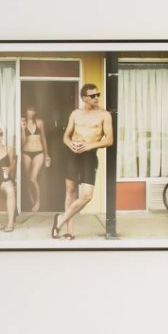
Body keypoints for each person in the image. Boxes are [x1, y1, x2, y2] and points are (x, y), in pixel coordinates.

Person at [51, 84, 113, 240]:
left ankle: (60, 220)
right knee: (70, 191)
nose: (96, 97)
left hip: (89, 156)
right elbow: (66, 136)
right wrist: (69, 143)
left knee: (86, 196)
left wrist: (90, 145)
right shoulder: (76, 113)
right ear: (84, 98)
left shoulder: (104, 115)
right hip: (72, 155)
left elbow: (110, 140)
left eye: (97, 94)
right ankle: (69, 231)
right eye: (92, 95)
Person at [20, 105, 50, 212]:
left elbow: (43, 138)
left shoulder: (39, 122)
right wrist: (23, 129)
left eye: (33, 110)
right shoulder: (22, 123)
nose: (31, 112)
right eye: (29, 110)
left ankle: (38, 202)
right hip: (26, 152)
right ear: (25, 111)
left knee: (33, 178)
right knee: (29, 180)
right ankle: (31, 202)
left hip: (39, 152)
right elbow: (23, 141)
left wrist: (47, 154)